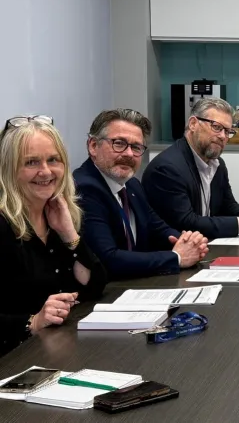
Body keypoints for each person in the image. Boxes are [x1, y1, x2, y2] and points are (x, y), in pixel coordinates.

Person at [0, 116, 106, 356]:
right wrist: (33, 321)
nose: (45, 171)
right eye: (31, 162)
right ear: (9, 169)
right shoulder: (3, 226)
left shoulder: (56, 213)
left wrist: (69, 234)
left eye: (53, 160)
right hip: (13, 358)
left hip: (57, 348)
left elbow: (95, 285)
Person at [74, 109, 209, 281]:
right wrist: (177, 258)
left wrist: (188, 242)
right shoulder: (84, 188)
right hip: (105, 295)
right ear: (93, 146)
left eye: (136, 147)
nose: (129, 154)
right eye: (119, 143)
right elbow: (107, 259)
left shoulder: (132, 185)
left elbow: (157, 227)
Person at [143, 98, 239, 239]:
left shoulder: (217, 164)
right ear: (193, 124)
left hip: (206, 246)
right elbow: (185, 223)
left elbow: (228, 206)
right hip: (174, 254)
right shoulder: (167, 169)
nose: (222, 136)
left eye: (227, 131)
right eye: (216, 127)